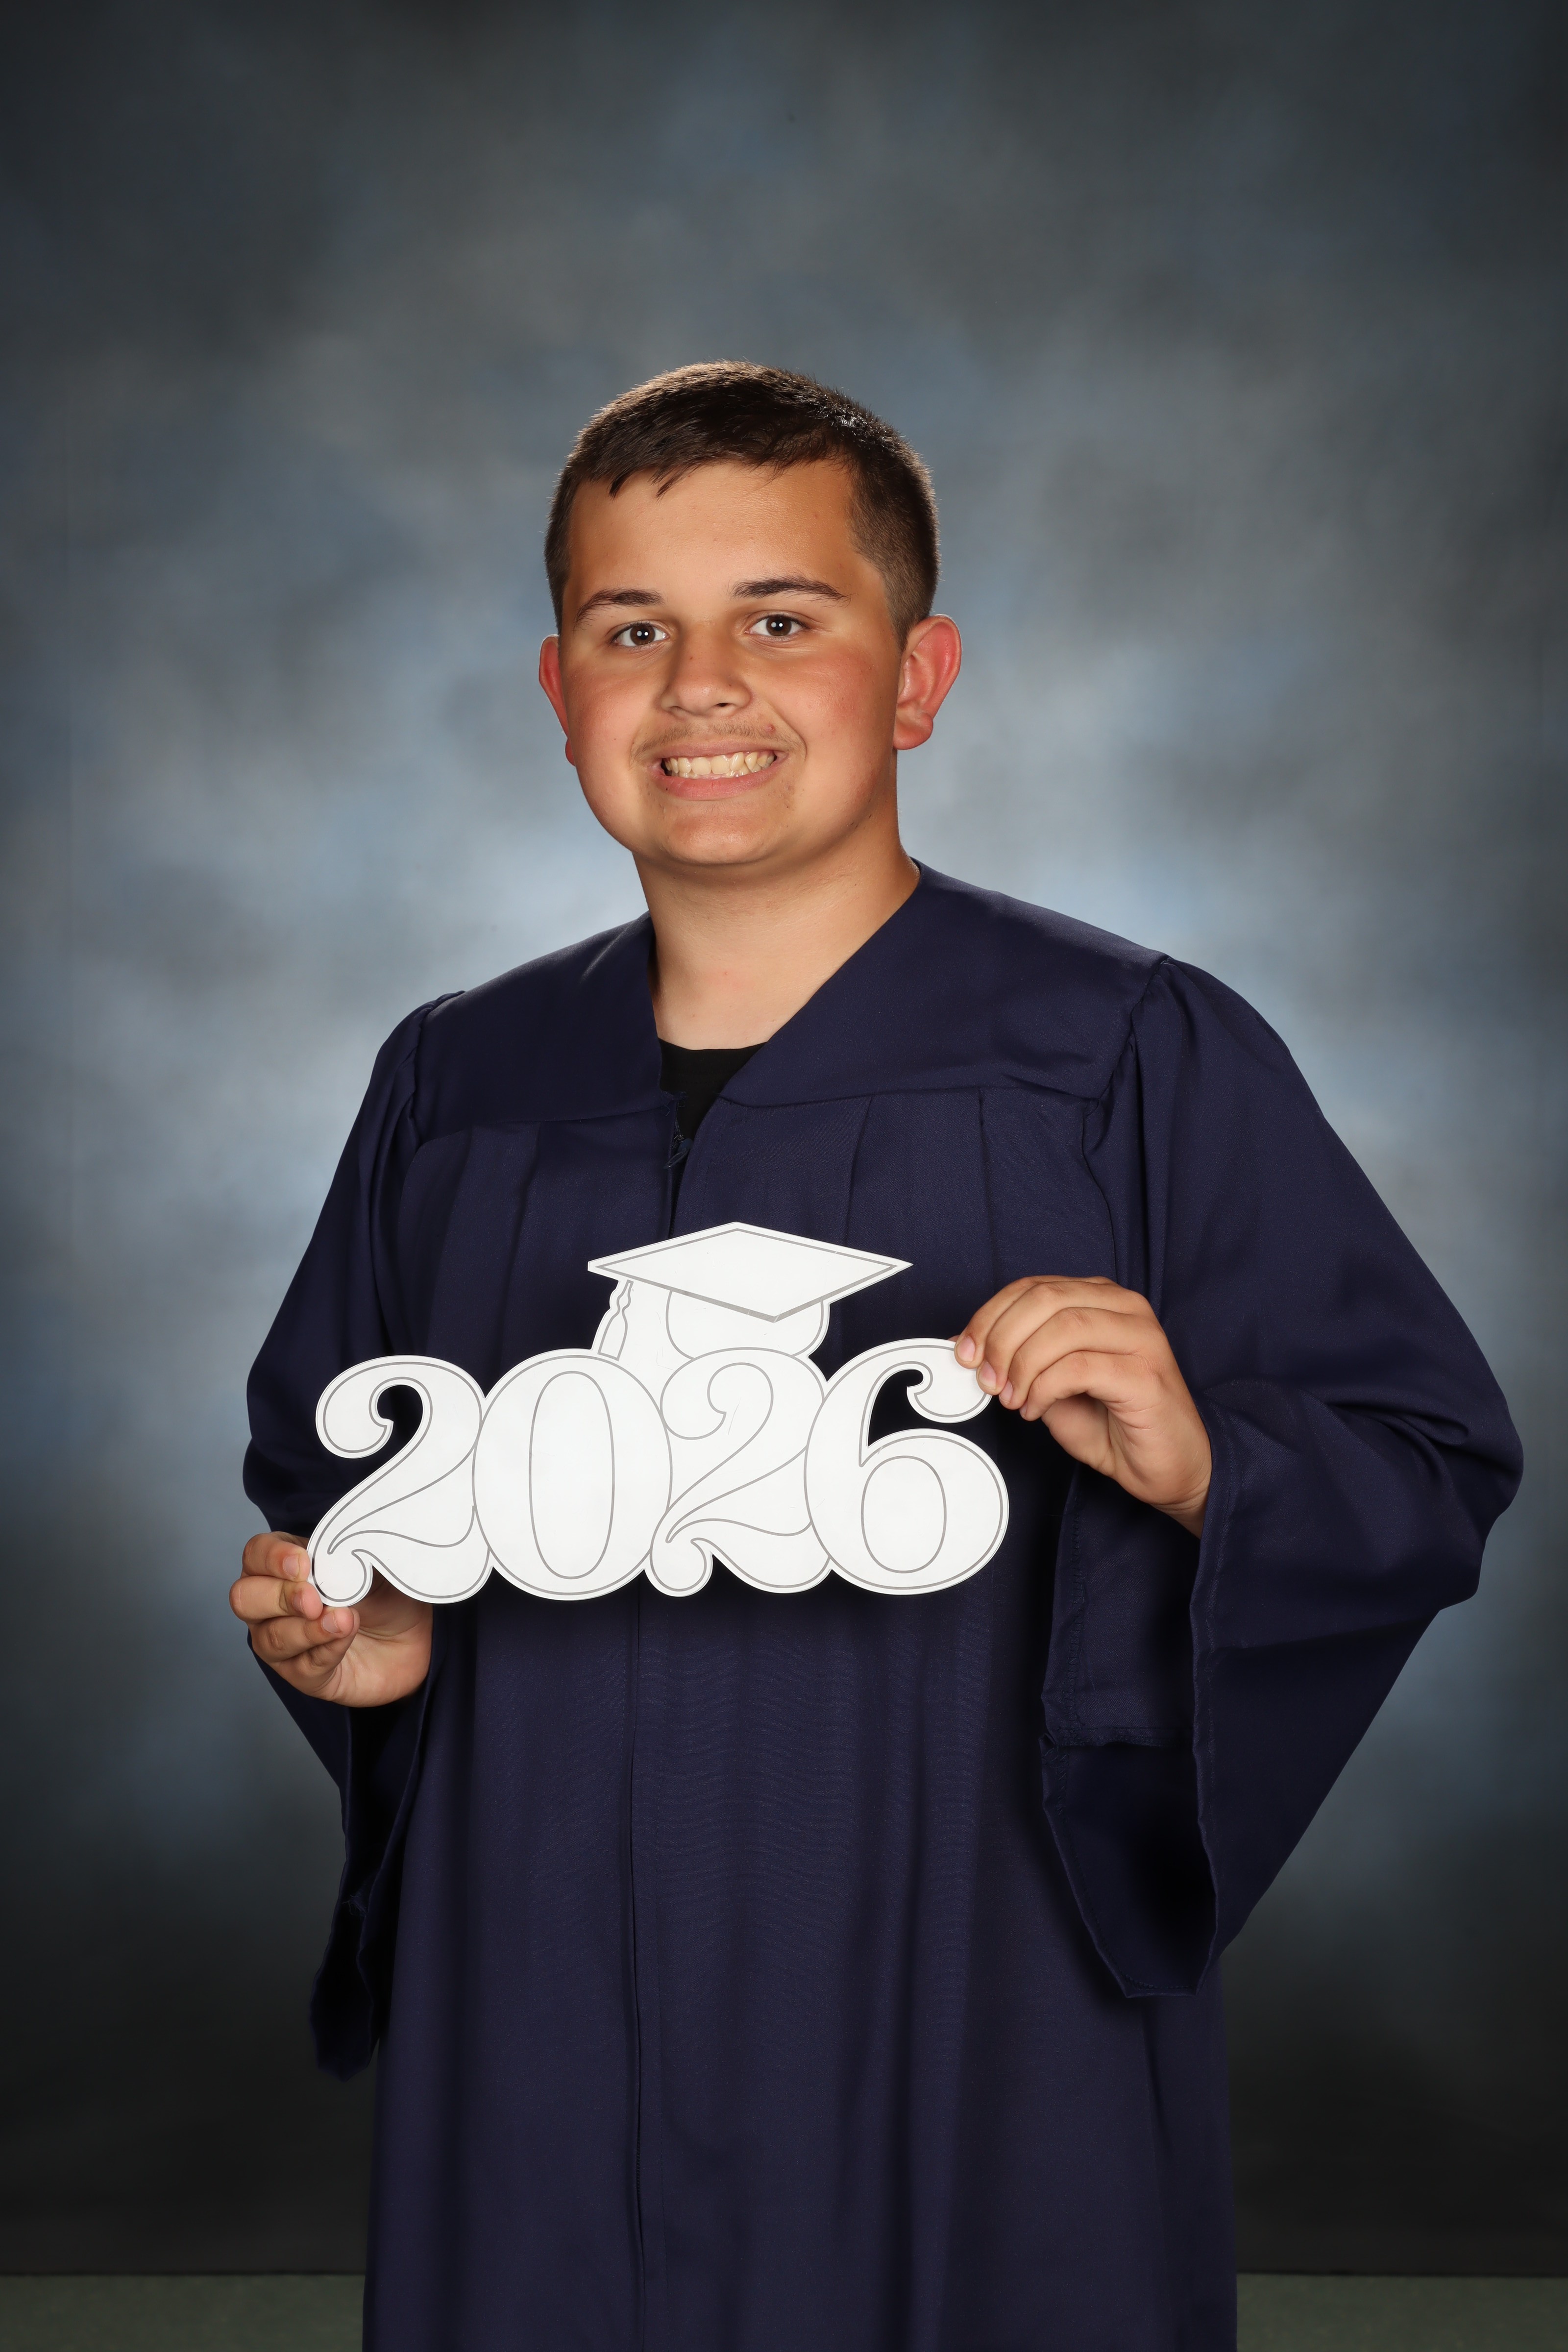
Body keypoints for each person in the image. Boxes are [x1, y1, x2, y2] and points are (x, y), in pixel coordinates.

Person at [235, 363, 1521, 2352]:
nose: (701, 687)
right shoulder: (456, 1083)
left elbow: (1423, 1459)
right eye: (630, 631)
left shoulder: (1124, 1054)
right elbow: (334, 1481)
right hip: (545, 1978)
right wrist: (368, 1633)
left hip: (970, 1979)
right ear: (557, 691)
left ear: (916, 678)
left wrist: (1209, 1464)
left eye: (781, 619)